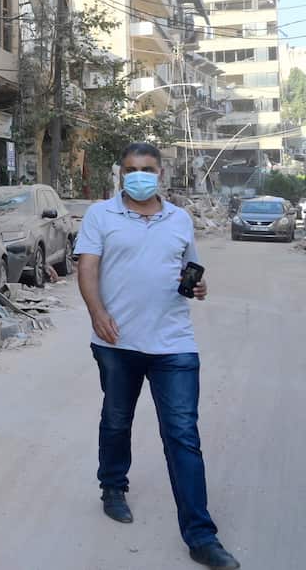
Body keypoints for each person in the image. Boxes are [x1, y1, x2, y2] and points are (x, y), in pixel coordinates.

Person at [74, 142, 239, 569]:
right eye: (131, 169)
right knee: (116, 419)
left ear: (160, 173)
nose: (138, 175)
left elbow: (189, 271)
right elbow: (87, 266)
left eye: (146, 168)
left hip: (174, 344)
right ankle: (112, 486)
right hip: (117, 342)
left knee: (183, 435)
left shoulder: (180, 219)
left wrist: (198, 288)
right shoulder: (100, 215)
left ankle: (201, 537)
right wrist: (97, 313)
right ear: (121, 173)